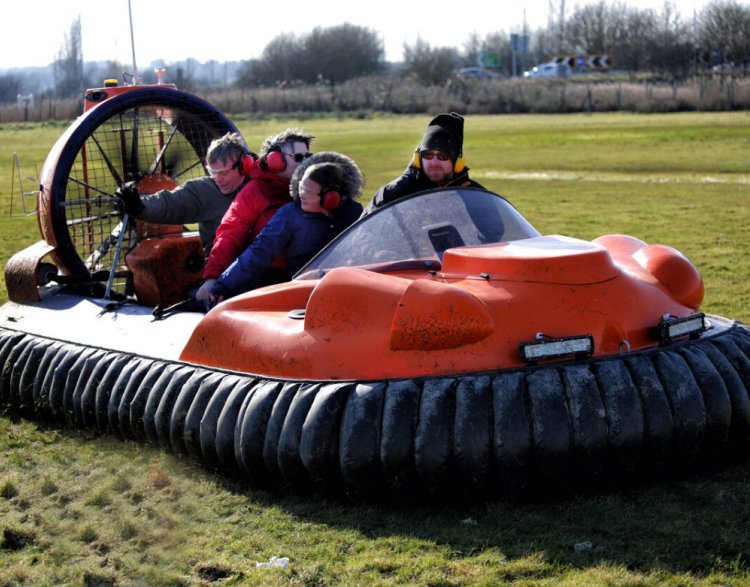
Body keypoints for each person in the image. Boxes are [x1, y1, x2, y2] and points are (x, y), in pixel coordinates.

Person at [208, 152, 364, 303]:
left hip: (348, 288)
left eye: (309, 192)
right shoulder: (290, 215)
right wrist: (223, 285)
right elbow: (260, 250)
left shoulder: (353, 212)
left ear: (331, 198)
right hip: (305, 292)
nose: (301, 194)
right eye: (301, 187)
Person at [195, 129, 315, 301]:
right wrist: (212, 277)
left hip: (310, 273)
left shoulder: (315, 188)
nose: (304, 163)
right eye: (297, 157)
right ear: (275, 160)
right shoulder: (254, 192)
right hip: (268, 278)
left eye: (307, 157)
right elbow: (230, 234)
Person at [114, 131, 253, 255]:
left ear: (244, 166)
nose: (218, 179)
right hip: (222, 266)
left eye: (223, 173)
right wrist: (140, 206)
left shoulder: (263, 186)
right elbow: (172, 203)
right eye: (213, 172)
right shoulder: (205, 191)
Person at [362, 112, 485, 215]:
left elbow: (495, 232)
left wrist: (464, 203)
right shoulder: (393, 193)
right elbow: (363, 233)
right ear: (418, 159)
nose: (434, 162)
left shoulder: (473, 194)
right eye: (428, 155)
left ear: (458, 162)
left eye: (442, 156)